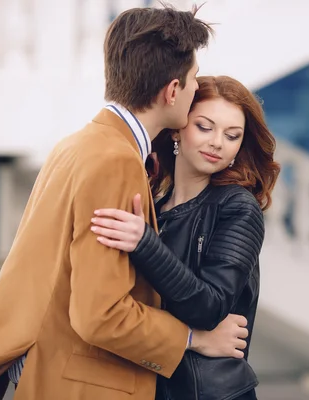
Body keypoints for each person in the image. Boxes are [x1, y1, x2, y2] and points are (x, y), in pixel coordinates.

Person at [0, 7, 249, 400]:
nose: (193, 89)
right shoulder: (115, 159)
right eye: (191, 80)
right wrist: (192, 338)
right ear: (171, 90)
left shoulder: (76, 144)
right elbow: (100, 316)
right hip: (85, 385)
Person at [90, 76, 281, 400]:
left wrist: (145, 244)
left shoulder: (238, 208)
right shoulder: (154, 204)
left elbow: (210, 307)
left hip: (211, 393)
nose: (217, 142)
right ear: (178, 128)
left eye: (232, 135)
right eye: (205, 127)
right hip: (149, 386)